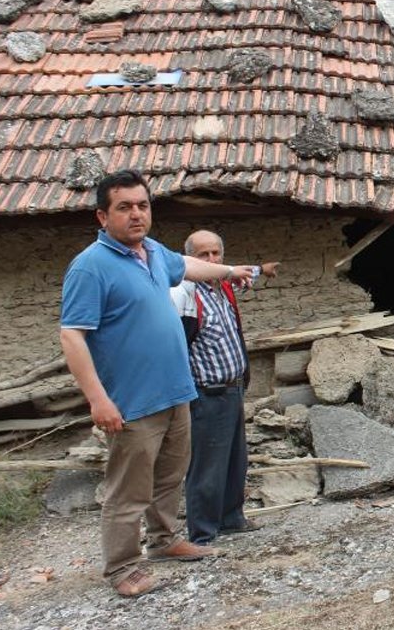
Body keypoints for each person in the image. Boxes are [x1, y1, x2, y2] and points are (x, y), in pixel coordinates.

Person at [60, 170, 257, 597]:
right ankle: (122, 567)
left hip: (177, 393)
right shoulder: (90, 267)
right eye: (124, 207)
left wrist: (229, 269)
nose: (136, 214)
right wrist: (97, 400)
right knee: (128, 490)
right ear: (102, 215)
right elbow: (72, 335)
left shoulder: (151, 252)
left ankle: (164, 541)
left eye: (143, 205)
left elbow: (186, 264)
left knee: (169, 477)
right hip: (132, 402)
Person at [170, 231, 279, 546]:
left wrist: (262, 269)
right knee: (206, 465)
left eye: (216, 253)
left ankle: (231, 518)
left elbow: (240, 271)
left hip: (232, 390)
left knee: (235, 460)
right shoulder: (185, 295)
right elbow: (177, 348)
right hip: (207, 394)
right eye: (203, 255)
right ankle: (202, 533)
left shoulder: (222, 287)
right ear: (189, 259)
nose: (212, 261)